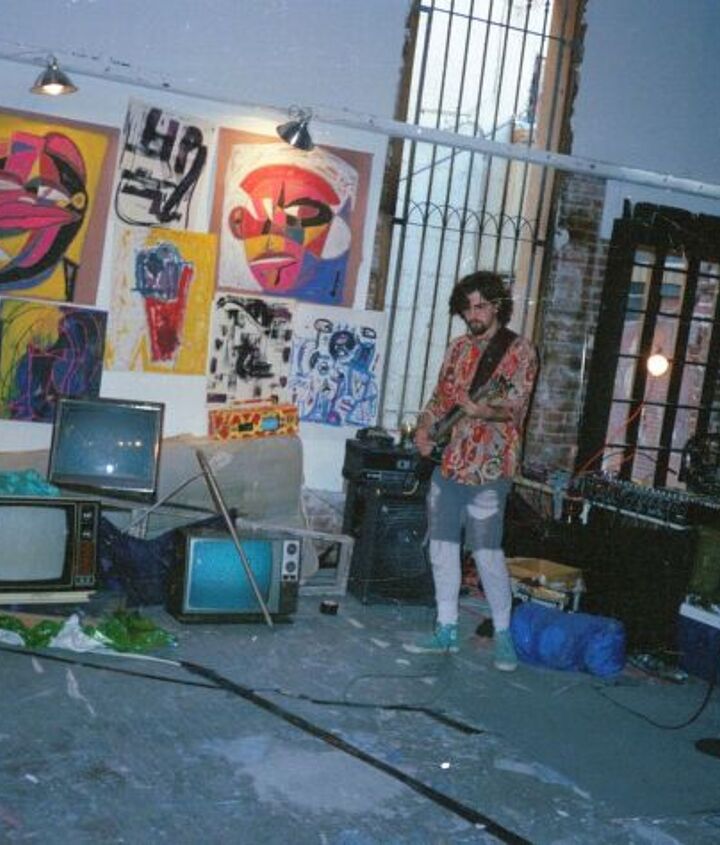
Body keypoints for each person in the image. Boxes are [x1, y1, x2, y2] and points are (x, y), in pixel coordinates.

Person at [407, 270, 538, 671]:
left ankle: (503, 634)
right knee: (442, 546)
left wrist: (484, 411)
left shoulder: (519, 351)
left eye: (480, 306)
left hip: (490, 466)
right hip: (450, 462)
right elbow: (439, 399)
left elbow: (515, 408)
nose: (472, 314)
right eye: (466, 308)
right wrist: (424, 429)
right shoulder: (458, 349)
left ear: (498, 305)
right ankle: (445, 628)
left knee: (486, 551)